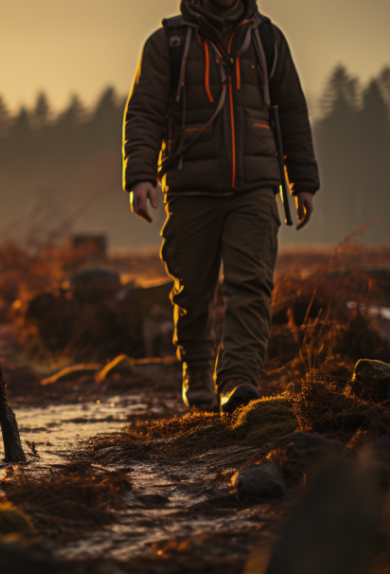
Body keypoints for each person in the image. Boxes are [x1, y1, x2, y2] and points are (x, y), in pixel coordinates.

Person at [122, 0, 319, 415]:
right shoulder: (167, 43)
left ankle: (238, 382)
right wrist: (140, 176)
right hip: (190, 187)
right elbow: (144, 112)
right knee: (193, 291)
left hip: (257, 186)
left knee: (251, 286)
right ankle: (197, 375)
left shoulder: (268, 39)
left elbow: (294, 113)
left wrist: (304, 181)